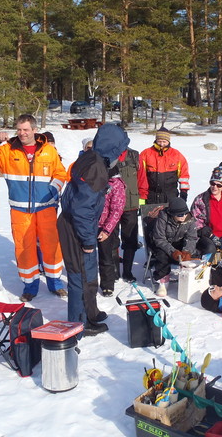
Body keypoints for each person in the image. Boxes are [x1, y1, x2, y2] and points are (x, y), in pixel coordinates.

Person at [57, 123, 130, 337]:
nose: (122, 155)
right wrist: (88, 240)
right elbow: (82, 208)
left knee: (89, 274)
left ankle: (90, 312)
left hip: (82, 225)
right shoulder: (95, 167)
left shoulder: (94, 158)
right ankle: (79, 324)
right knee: (79, 277)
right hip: (76, 227)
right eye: (120, 150)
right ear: (112, 148)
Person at [0, 114, 67, 302]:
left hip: (46, 209)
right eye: (19, 129)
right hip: (20, 211)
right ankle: (30, 286)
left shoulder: (48, 151)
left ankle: (55, 284)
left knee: (52, 246)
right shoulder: (7, 151)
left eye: (26, 130)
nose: (22, 133)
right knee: (25, 249)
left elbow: (61, 174)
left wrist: (52, 191)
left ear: (34, 130)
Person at [150, 197, 198, 297]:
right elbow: (159, 238)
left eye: (185, 213)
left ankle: (187, 278)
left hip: (179, 242)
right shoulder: (163, 218)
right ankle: (163, 281)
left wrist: (187, 251)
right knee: (162, 256)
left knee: (194, 253)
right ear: (172, 214)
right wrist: (173, 251)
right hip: (163, 243)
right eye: (180, 214)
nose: (184, 216)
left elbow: (192, 237)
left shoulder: (189, 219)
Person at [138, 126, 190, 204]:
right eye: (159, 141)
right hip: (150, 196)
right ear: (156, 140)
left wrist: (184, 192)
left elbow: (184, 176)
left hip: (170, 197)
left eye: (164, 141)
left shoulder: (177, 155)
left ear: (168, 141)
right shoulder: (145, 154)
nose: (162, 144)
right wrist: (141, 196)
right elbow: (140, 176)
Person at [114, 146, 141, 283]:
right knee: (112, 240)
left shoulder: (134, 155)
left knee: (130, 239)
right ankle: (114, 272)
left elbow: (141, 179)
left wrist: (141, 201)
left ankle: (127, 271)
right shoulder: (106, 154)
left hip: (131, 205)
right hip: (112, 206)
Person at [97, 165, 126, 297]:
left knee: (106, 256)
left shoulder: (116, 184)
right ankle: (88, 283)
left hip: (105, 226)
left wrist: (107, 230)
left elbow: (116, 210)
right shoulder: (94, 180)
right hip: (90, 224)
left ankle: (107, 285)